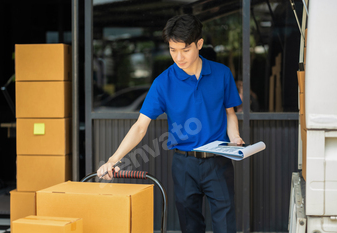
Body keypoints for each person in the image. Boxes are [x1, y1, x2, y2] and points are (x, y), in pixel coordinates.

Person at [97, 14, 244, 233]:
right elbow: (140, 126)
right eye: (173, 50)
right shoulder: (163, 83)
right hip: (184, 165)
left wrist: (234, 138)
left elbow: (229, 112)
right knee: (190, 226)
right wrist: (113, 159)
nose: (179, 57)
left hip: (218, 162)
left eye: (185, 50)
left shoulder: (221, 74)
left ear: (199, 44)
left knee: (225, 226)